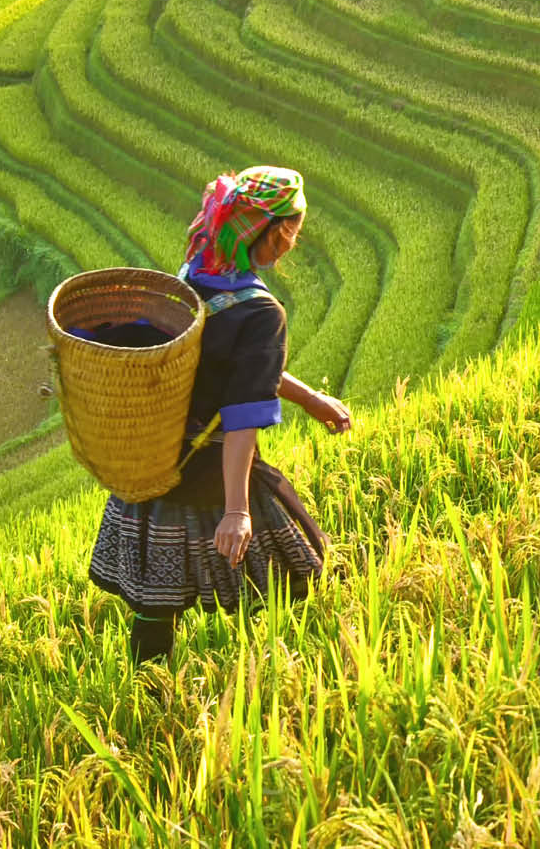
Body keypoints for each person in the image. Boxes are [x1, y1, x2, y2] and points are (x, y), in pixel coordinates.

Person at [88, 165, 351, 663]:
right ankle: (297, 664)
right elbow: (241, 414)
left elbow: (237, 369)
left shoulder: (192, 277)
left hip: (154, 456)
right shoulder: (261, 313)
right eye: (294, 230)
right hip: (210, 466)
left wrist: (312, 400)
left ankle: (146, 690)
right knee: (299, 568)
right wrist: (237, 509)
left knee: (154, 596)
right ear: (274, 233)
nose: (295, 242)